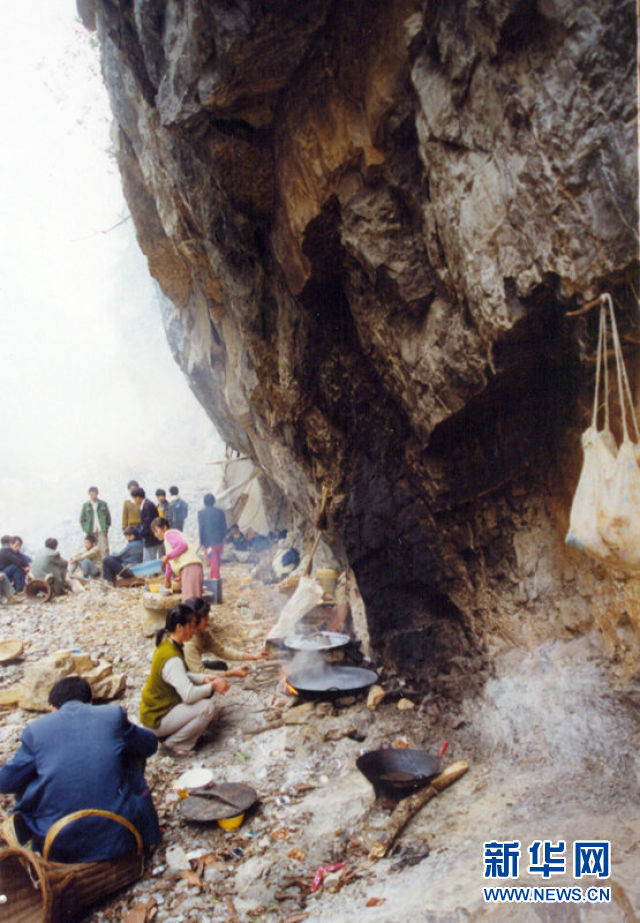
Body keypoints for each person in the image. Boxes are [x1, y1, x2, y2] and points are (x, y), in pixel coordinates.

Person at [0, 676, 160, 861]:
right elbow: (149, 745)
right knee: (129, 753)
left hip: (58, 844)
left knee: (29, 773)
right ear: (90, 702)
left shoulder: (35, 730)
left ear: (52, 707)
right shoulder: (112, 715)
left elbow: (5, 782)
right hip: (121, 835)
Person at [140, 605, 229, 755]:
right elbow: (188, 696)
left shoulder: (167, 643)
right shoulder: (172, 658)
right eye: (192, 626)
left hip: (154, 712)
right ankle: (175, 744)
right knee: (207, 707)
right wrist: (212, 686)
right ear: (180, 627)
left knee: (204, 697)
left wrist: (205, 678)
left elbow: (182, 675)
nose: (194, 630)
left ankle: (174, 733)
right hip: (156, 720)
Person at [182, 597, 268, 674]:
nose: (208, 619)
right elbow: (198, 672)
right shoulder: (189, 642)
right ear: (195, 620)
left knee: (220, 666)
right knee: (211, 683)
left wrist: (253, 656)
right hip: (185, 675)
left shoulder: (202, 633)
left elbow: (222, 651)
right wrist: (231, 673)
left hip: (193, 668)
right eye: (205, 617)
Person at [151, 517, 203, 601]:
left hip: (190, 568)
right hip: (189, 569)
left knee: (191, 602)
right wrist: (167, 579)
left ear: (164, 527)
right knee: (189, 601)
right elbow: (169, 563)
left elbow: (183, 545)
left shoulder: (169, 534)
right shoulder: (168, 541)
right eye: (154, 533)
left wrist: (167, 557)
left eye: (156, 531)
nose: (155, 535)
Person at [198, 493, 227, 579]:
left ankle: (215, 578)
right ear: (214, 501)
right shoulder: (220, 512)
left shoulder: (201, 513)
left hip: (209, 542)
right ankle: (215, 576)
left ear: (204, 502)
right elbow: (224, 526)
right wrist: (223, 538)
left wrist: (201, 542)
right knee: (217, 559)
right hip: (219, 540)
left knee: (212, 560)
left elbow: (201, 528)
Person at [79, 486, 111, 557]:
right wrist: (86, 529)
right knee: (92, 549)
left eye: (94, 494)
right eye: (91, 494)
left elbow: (108, 518)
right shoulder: (86, 505)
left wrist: (106, 527)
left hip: (101, 529)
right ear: (89, 495)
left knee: (104, 548)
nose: (93, 496)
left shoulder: (103, 504)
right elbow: (82, 519)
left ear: (97, 494)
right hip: (91, 531)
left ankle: (106, 565)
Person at [132, 488, 163, 561]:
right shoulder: (148, 504)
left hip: (151, 538)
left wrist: (140, 535)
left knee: (148, 560)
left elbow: (147, 524)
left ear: (138, 497)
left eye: (134, 498)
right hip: (153, 536)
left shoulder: (147, 506)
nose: (134, 501)